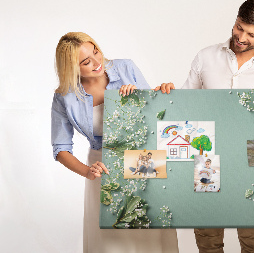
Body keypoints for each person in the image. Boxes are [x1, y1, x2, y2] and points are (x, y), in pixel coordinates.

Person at [157, 0, 254, 253]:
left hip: (250, 159)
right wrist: (167, 93)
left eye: (251, 34)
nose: (241, 37)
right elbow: (183, 105)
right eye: (239, 27)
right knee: (208, 237)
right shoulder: (205, 57)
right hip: (207, 157)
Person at [51, 32, 178, 253]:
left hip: (143, 157)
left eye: (96, 52)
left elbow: (155, 116)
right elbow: (61, 149)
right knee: (112, 238)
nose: (97, 62)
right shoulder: (65, 96)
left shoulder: (125, 68)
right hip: (102, 166)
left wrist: (148, 95)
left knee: (151, 228)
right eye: (86, 61)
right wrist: (87, 171)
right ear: (71, 68)